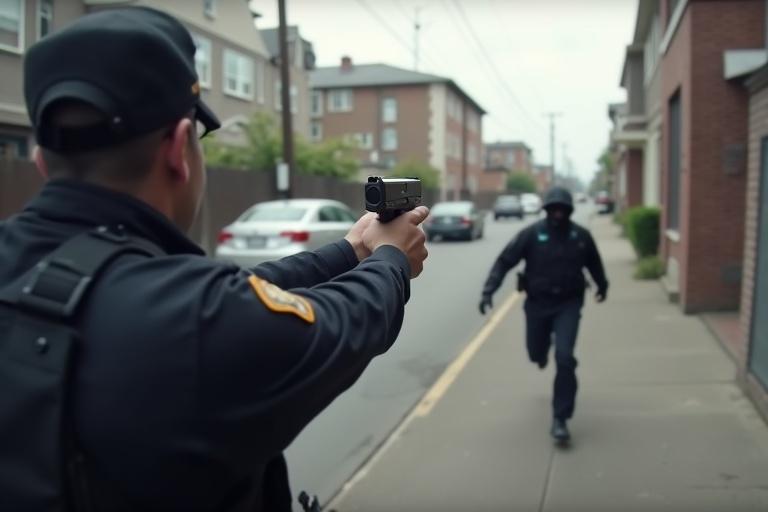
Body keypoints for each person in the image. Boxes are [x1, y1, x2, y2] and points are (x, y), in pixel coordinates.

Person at [0, 7, 428, 511]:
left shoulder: (135, 288)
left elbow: (239, 290)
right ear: (180, 149)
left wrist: (353, 251)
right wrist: (391, 260)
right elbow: (344, 325)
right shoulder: (197, 320)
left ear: (43, 161)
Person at [478, 187, 607, 443]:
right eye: (553, 209)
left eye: (563, 209)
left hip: (568, 304)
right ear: (546, 210)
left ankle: (560, 418)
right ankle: (541, 352)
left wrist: (603, 285)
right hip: (537, 304)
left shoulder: (580, 236)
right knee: (536, 352)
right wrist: (488, 290)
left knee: (565, 357)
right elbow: (505, 261)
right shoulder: (532, 234)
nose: (558, 213)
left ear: (569, 211)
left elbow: (595, 264)